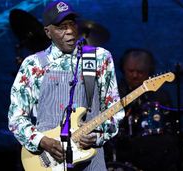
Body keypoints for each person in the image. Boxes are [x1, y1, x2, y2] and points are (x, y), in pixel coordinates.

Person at [7, 1, 124, 170]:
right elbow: (16, 118)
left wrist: (98, 136)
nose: (69, 31)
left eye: (72, 24)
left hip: (91, 160)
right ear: (48, 32)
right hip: (48, 161)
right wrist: (42, 141)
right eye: (62, 27)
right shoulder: (33, 65)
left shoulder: (99, 58)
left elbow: (115, 110)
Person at [105, 48, 180, 171]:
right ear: (123, 70)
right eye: (130, 71)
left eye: (140, 72)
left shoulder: (160, 95)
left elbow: (170, 124)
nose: (134, 75)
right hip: (122, 144)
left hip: (153, 147)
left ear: (149, 72)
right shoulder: (115, 93)